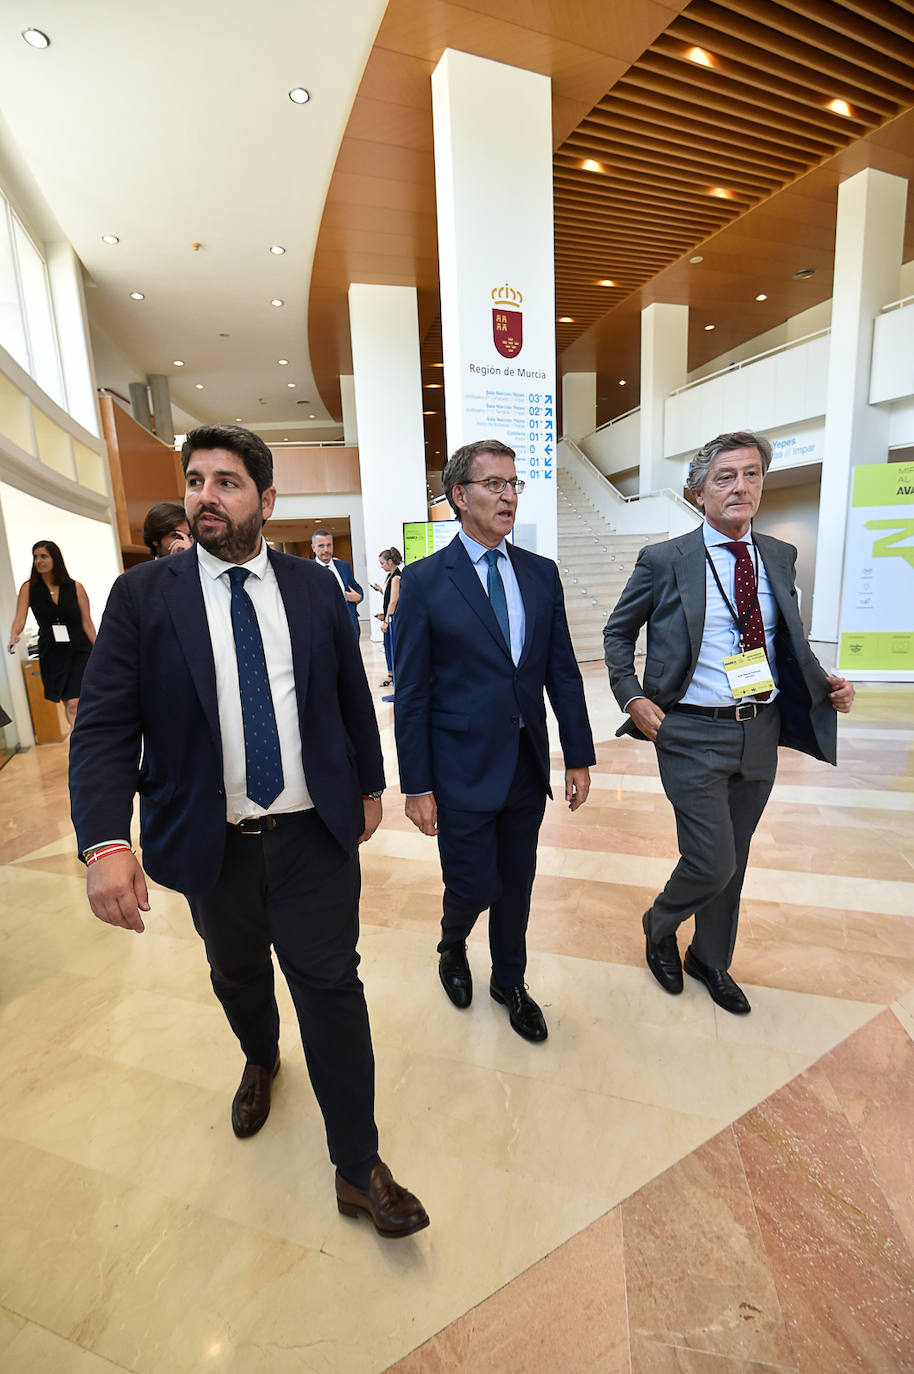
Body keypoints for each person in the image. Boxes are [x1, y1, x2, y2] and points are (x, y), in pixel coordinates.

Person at [69, 424, 428, 1240]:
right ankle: (261, 1056)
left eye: (226, 482)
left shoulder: (312, 588)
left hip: (312, 837)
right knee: (236, 974)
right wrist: (106, 842)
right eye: (195, 480)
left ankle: (358, 1165)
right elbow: (105, 729)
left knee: (332, 990)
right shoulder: (143, 597)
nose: (205, 496)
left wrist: (369, 786)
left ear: (266, 500)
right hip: (211, 841)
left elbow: (349, 696)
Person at [604, 431, 855, 1016]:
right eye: (725, 477)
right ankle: (660, 923)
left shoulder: (779, 555)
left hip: (760, 728)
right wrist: (631, 697)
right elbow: (617, 633)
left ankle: (710, 958)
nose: (741, 486)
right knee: (711, 859)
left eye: (751, 474)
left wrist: (826, 683)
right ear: (698, 492)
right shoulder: (665, 560)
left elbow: (786, 641)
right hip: (689, 731)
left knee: (735, 858)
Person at [394, 439, 595, 1043]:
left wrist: (578, 754)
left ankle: (510, 980)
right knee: (473, 882)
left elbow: (562, 671)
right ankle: (452, 942)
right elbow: (413, 692)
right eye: (494, 484)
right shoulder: (424, 581)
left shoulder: (540, 573)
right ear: (460, 496)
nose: (508, 496)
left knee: (517, 882)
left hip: (525, 765)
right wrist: (416, 784)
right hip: (459, 767)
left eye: (514, 484)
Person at [7, 540, 96, 730]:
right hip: (52, 652)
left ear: (55, 558)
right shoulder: (29, 588)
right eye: (35, 557)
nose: (38, 561)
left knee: (75, 702)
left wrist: (99, 650)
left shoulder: (75, 587)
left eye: (43, 556)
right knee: (68, 701)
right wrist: (14, 634)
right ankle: (78, 738)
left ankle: (80, 741)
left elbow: (87, 623)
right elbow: (19, 618)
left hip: (79, 650)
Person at [311, 529, 362, 636]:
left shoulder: (344, 566)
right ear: (313, 548)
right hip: (322, 628)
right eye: (321, 546)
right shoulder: (307, 570)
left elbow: (356, 588)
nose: (326, 550)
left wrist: (358, 597)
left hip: (348, 625)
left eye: (329, 545)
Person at [370, 548, 401, 690]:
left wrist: (386, 621)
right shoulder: (390, 576)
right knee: (388, 647)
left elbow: (393, 601)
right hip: (390, 618)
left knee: (391, 648)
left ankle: (393, 675)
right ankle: (391, 674)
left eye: (382, 563)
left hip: (393, 621)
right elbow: (389, 596)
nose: (381, 566)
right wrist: (381, 590)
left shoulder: (396, 578)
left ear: (390, 562)